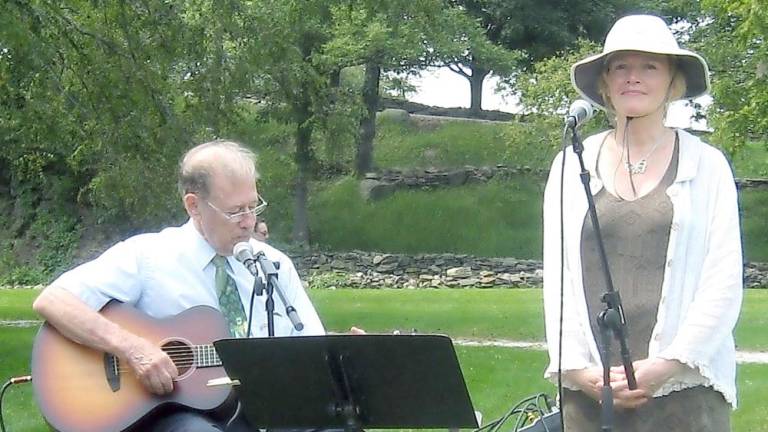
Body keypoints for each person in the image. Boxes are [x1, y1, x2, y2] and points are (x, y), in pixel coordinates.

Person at [33, 140, 325, 431]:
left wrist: (349, 354)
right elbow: (54, 300)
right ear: (194, 205)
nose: (249, 222)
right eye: (235, 211)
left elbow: (314, 345)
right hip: (174, 413)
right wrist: (133, 348)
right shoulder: (149, 256)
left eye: (253, 206)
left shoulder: (273, 265)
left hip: (265, 408)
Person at [542, 15, 743, 431]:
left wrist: (665, 367)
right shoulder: (570, 164)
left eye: (649, 66)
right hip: (592, 393)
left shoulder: (706, 165)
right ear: (605, 81)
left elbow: (722, 280)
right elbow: (557, 280)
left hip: (683, 395)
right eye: (621, 66)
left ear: (672, 81)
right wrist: (580, 373)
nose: (633, 78)